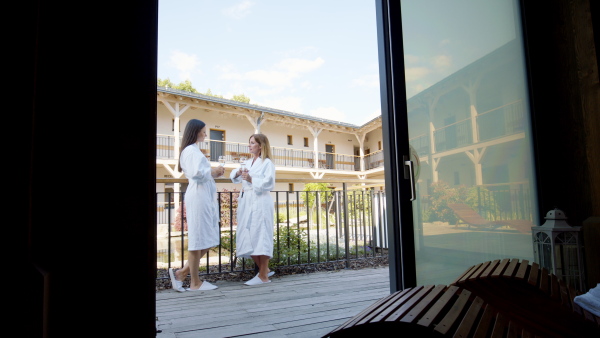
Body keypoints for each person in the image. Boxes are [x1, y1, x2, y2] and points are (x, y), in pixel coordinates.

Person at [168, 119, 224, 292]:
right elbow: (197, 173)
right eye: (203, 131)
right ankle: (195, 282)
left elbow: (201, 173)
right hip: (198, 198)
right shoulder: (191, 151)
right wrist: (213, 171)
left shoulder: (194, 150)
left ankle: (183, 273)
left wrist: (213, 173)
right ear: (195, 131)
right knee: (198, 239)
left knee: (208, 237)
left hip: (203, 197)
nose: (206, 134)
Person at [230, 134, 276, 285]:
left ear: (261, 146)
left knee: (261, 235)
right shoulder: (248, 162)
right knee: (248, 234)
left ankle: (263, 276)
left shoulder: (267, 163)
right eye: (249, 143)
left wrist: (251, 179)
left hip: (261, 202)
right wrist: (237, 173)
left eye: (252, 143)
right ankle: (265, 270)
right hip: (247, 202)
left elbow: (269, 183)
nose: (249, 146)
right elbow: (235, 176)